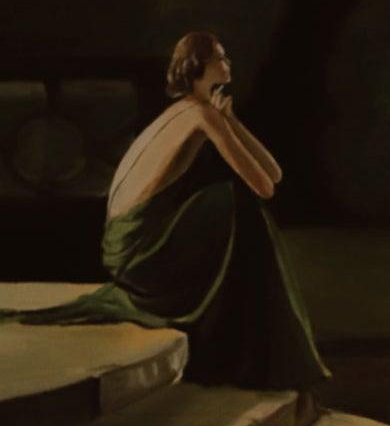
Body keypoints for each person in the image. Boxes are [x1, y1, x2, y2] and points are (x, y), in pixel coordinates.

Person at [10, 32, 328, 386]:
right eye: (220, 57)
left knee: (228, 201)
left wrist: (231, 120)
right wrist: (221, 121)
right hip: (138, 254)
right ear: (198, 67)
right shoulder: (200, 114)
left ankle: (252, 345)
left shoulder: (189, 110)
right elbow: (264, 188)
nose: (227, 63)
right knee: (234, 202)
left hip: (125, 246)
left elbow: (274, 174)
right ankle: (264, 350)